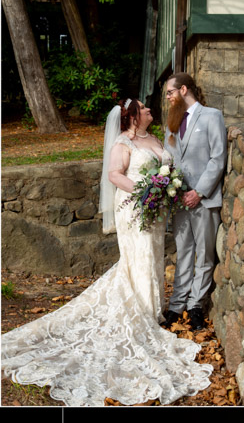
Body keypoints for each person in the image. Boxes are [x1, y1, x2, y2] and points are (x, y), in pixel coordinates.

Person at [2, 98, 213, 406]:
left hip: (153, 211)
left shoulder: (153, 139)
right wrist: (144, 193)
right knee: (137, 258)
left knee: (152, 258)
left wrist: (165, 188)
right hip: (134, 208)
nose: (151, 110)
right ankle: (141, 313)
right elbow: (115, 175)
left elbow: (166, 168)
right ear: (132, 116)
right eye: (145, 108)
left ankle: (149, 309)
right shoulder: (123, 142)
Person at [163, 72, 226, 331]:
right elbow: (169, 158)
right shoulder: (172, 123)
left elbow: (218, 158)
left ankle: (195, 305)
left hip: (204, 199)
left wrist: (198, 192)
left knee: (205, 254)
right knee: (184, 252)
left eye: (170, 92)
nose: (167, 97)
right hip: (179, 201)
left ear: (184, 90)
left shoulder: (212, 116)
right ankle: (176, 305)